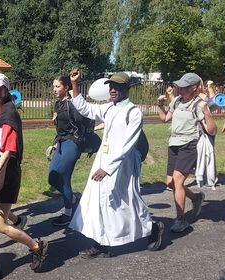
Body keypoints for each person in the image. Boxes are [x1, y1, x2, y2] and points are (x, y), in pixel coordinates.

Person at [67, 69, 164, 258]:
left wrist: (108, 168)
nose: (112, 90)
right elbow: (86, 109)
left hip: (122, 165)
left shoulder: (133, 113)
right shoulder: (109, 107)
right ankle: (101, 243)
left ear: (126, 89)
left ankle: (152, 227)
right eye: (111, 86)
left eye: (117, 86)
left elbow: (127, 145)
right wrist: (75, 84)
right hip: (102, 162)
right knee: (98, 201)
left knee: (126, 201)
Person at [0, 73, 48, 280]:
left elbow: (8, 151)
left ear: (5, 90)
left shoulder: (10, 114)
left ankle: (37, 246)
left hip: (5, 173)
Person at [157, 73, 213, 234]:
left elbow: (212, 130)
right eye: (179, 86)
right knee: (171, 183)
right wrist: (161, 106)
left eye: (184, 86)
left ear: (194, 88)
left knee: (178, 181)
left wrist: (207, 112)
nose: (180, 88)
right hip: (174, 143)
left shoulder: (199, 104)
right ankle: (196, 198)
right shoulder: (177, 101)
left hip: (190, 144)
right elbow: (165, 119)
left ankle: (180, 219)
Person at [48, 74, 94, 226]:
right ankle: (73, 199)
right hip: (61, 142)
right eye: (54, 86)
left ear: (66, 87)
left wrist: (84, 141)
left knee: (62, 177)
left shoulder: (72, 104)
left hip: (73, 143)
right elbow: (61, 128)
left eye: (58, 86)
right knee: (52, 178)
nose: (54, 89)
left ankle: (68, 213)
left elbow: (87, 120)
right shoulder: (58, 104)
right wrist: (54, 145)